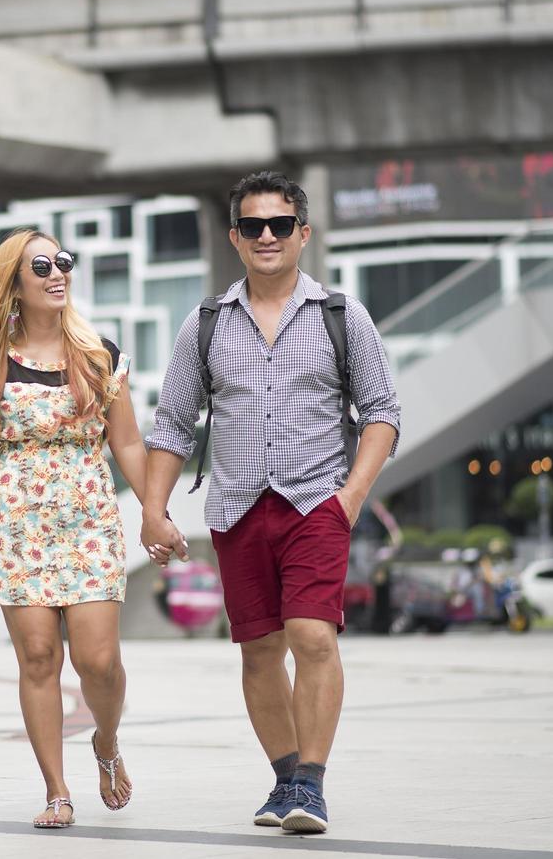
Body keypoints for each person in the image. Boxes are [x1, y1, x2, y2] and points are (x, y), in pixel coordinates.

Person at [139, 172, 401, 835]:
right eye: (252, 225)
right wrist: (152, 507)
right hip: (234, 507)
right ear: (233, 237)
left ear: (302, 235)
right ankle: (284, 775)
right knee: (258, 651)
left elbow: (381, 413)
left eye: (279, 225)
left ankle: (309, 787)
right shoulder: (203, 324)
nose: (265, 236)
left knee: (312, 636)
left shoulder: (343, 316)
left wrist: (349, 498)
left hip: (317, 503)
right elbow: (172, 422)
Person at [0, 227, 171, 829]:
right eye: (43, 265)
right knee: (39, 658)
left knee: (99, 662)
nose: (58, 274)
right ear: (15, 285)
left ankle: (106, 741)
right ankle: (56, 789)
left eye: (64, 262)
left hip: (89, 519)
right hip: (15, 525)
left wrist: (155, 510)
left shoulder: (99, 354)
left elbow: (126, 439)